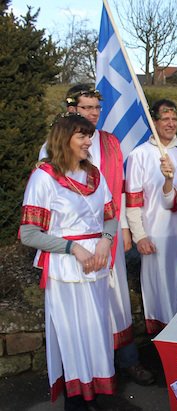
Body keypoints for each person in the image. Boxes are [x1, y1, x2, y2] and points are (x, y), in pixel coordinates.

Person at [39, 84, 154, 386]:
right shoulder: (52, 147)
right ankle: (83, 375)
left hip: (108, 235)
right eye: (86, 107)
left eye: (96, 108)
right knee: (82, 309)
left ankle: (126, 362)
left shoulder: (111, 142)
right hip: (75, 244)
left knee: (117, 300)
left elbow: (121, 189)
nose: (93, 113)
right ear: (71, 110)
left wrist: (124, 229)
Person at [20, 113, 117, 410]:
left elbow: (110, 217)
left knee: (96, 331)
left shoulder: (95, 175)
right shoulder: (45, 177)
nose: (89, 141)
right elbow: (28, 233)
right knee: (72, 333)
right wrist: (72, 248)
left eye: (89, 135)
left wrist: (105, 240)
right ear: (65, 140)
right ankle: (76, 400)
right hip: (65, 269)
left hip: (97, 266)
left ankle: (100, 395)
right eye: (82, 136)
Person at [126, 99, 177, 334]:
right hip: (156, 234)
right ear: (154, 122)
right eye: (165, 119)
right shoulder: (140, 155)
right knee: (162, 291)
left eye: (174, 119)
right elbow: (133, 199)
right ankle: (166, 341)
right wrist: (140, 236)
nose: (171, 124)